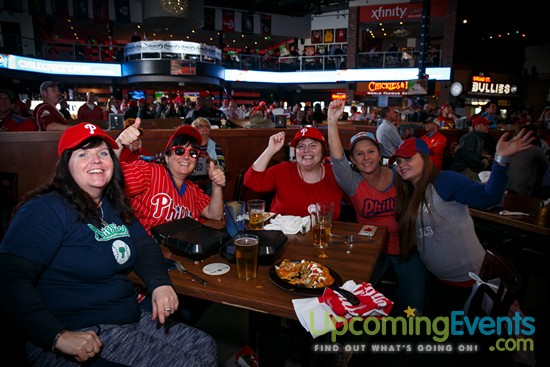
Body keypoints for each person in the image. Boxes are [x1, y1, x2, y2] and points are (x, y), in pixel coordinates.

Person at [0, 122, 217, 366]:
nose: (96, 160)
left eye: (103, 153)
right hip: (75, 329)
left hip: (124, 316)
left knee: (205, 346)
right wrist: (57, 335)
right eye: (84, 154)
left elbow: (144, 246)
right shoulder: (45, 208)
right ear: (65, 165)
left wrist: (159, 284)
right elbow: (9, 278)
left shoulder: (112, 205)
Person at [390, 131, 534, 315]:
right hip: (440, 283)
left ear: (425, 158)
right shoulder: (408, 192)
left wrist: (500, 161)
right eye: (399, 161)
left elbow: (488, 197)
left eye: (408, 158)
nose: (402, 165)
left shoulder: (444, 181)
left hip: (470, 284)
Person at [327, 100, 426, 315]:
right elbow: (337, 159)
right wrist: (332, 123)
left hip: (407, 249)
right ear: (352, 159)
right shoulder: (352, 182)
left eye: (370, 151)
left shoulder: (399, 173)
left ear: (379, 153)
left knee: (413, 312)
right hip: (372, 251)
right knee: (356, 305)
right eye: (359, 154)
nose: (366, 158)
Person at [115, 119, 226, 236]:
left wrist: (217, 186)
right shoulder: (150, 173)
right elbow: (112, 178)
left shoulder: (193, 190)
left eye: (193, 153)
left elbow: (215, 214)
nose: (187, 157)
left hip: (180, 250)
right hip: (149, 249)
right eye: (179, 150)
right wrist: (119, 144)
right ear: (167, 157)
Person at [243, 127, 343, 219]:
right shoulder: (283, 169)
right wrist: (270, 150)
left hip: (323, 235)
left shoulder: (337, 174)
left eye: (313, 145)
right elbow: (251, 182)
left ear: (323, 151)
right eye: (301, 146)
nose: (306, 150)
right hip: (283, 235)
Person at [506, 124, 548, 196]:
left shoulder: (509, 145)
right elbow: (545, 166)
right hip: (521, 189)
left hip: (503, 184)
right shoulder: (534, 149)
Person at [190, 117, 226, 196]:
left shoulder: (214, 146)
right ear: (195, 128)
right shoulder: (189, 145)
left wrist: (210, 160)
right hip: (190, 176)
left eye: (207, 126)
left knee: (212, 185)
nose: (205, 128)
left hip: (208, 179)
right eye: (201, 126)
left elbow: (222, 164)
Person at [451, 115, 491, 181]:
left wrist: (483, 159)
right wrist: (481, 164)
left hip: (468, 169)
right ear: (478, 126)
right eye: (485, 124)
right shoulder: (470, 137)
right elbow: (467, 154)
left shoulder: (479, 138)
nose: (488, 126)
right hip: (463, 170)